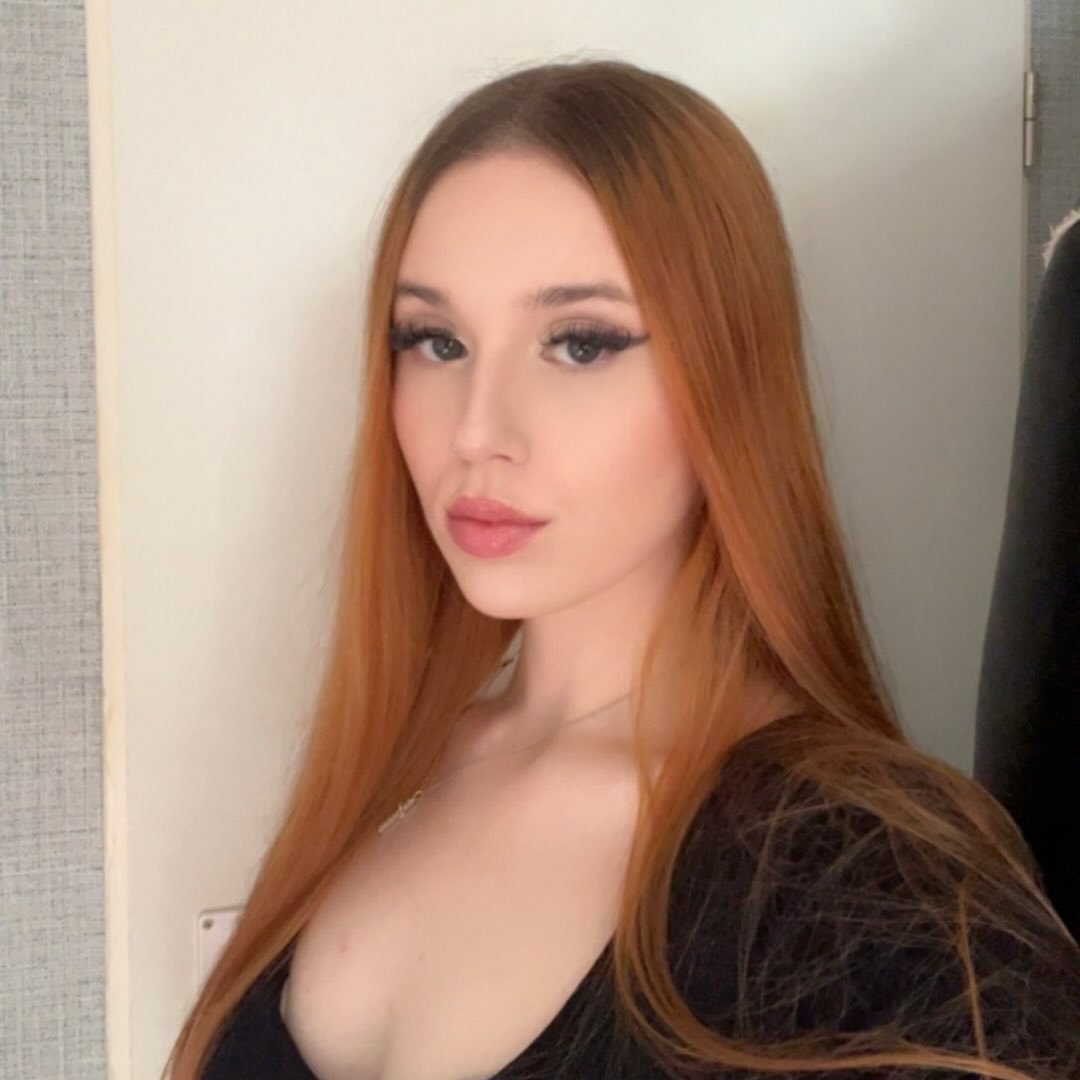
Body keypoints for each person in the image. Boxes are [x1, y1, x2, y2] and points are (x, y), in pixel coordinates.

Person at [166, 57, 1080, 1079]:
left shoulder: (894, 897)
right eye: (434, 341)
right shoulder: (384, 778)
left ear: (727, 376)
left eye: (580, 344)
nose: (476, 431)